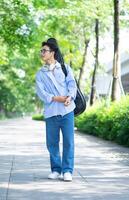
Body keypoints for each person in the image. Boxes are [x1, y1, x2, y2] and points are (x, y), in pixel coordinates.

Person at [35, 38, 77, 182]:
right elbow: (41, 93)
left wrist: (69, 97)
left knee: (69, 142)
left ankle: (67, 170)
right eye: (41, 51)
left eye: (44, 51)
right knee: (52, 143)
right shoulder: (40, 74)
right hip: (51, 112)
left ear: (52, 52)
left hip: (67, 110)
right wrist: (56, 98)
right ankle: (56, 170)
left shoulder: (65, 68)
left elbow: (72, 84)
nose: (42, 53)